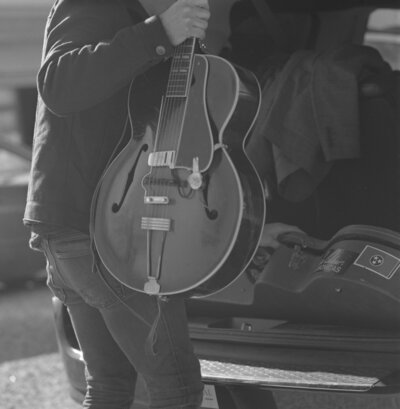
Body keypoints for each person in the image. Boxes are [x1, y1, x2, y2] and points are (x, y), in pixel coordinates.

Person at [24, 1, 302, 408]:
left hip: (80, 227)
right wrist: (158, 33)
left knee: (109, 386)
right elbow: (58, 85)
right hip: (102, 234)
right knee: (176, 386)